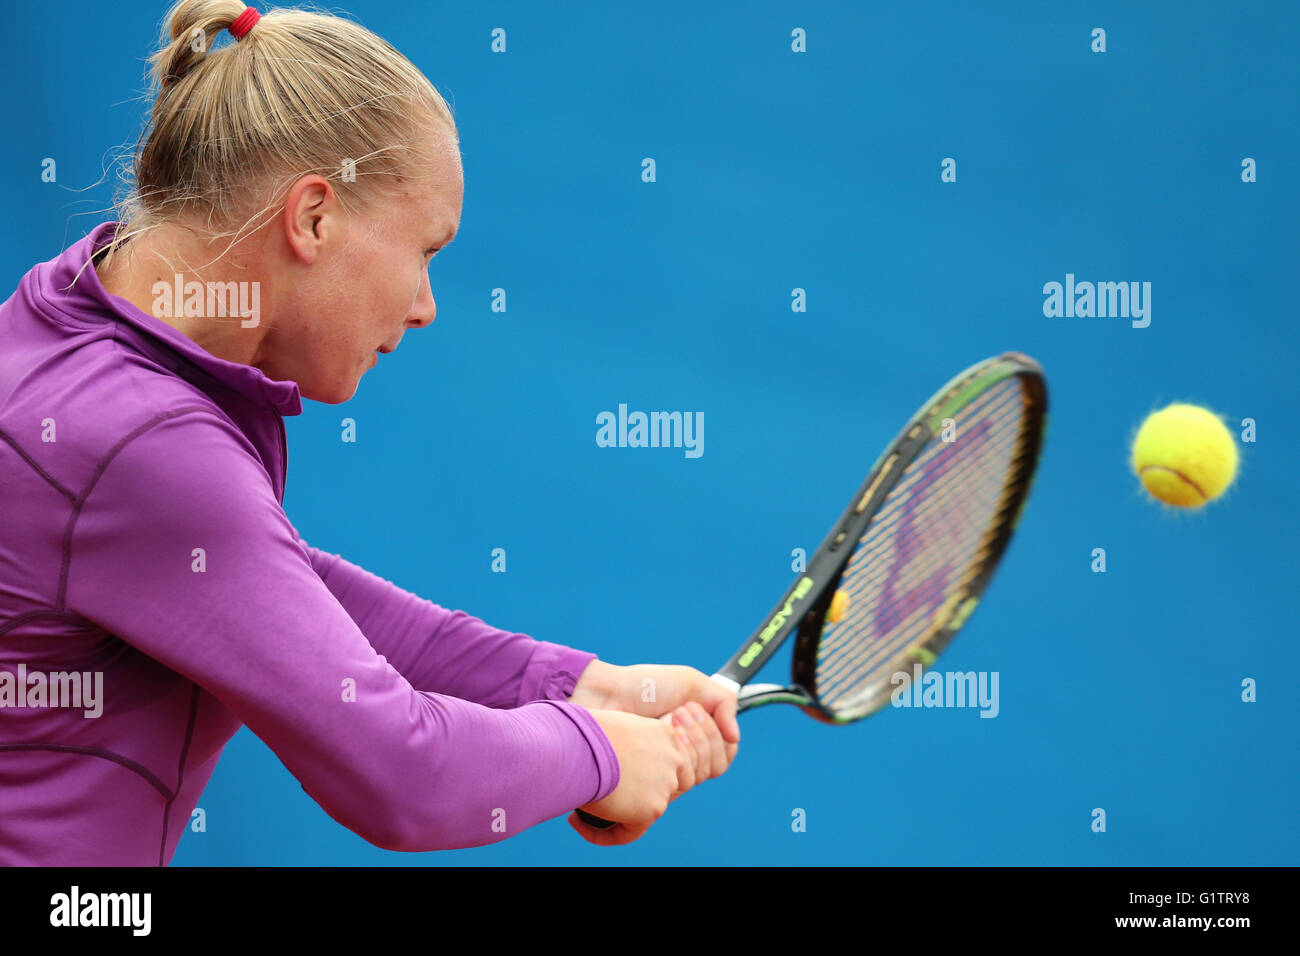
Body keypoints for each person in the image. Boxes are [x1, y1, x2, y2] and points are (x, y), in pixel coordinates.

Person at [0, 0, 738, 865]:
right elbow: (406, 778)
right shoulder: (143, 446)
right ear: (313, 217)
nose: (425, 308)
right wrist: (600, 752)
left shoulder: (62, 322)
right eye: (425, 251)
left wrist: (584, 686)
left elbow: (263, 577)